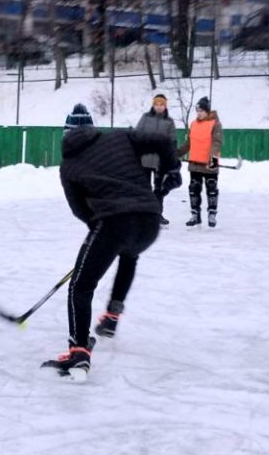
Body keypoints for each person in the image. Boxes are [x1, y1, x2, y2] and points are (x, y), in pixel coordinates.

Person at [42, 102, 181, 380]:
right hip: (150, 222)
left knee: (80, 286)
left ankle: (78, 352)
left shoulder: (68, 166)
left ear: (66, 134)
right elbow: (164, 142)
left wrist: (102, 238)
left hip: (115, 223)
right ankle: (112, 316)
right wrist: (172, 170)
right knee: (129, 255)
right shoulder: (120, 137)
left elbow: (81, 211)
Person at [133, 92, 178, 225]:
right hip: (144, 159)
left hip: (160, 161)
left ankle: (157, 214)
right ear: (153, 105)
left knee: (159, 188)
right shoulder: (145, 118)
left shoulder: (169, 122)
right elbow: (137, 135)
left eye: (161, 104)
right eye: (156, 104)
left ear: (165, 107)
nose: (159, 107)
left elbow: (172, 141)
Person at [179, 96, 224, 227]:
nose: (199, 113)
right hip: (195, 162)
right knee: (194, 188)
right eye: (197, 111)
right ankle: (195, 214)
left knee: (211, 188)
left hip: (210, 161)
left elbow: (217, 142)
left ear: (207, 111)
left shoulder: (215, 123)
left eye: (201, 111)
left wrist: (212, 157)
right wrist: (178, 152)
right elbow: (189, 142)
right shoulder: (193, 124)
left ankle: (212, 214)